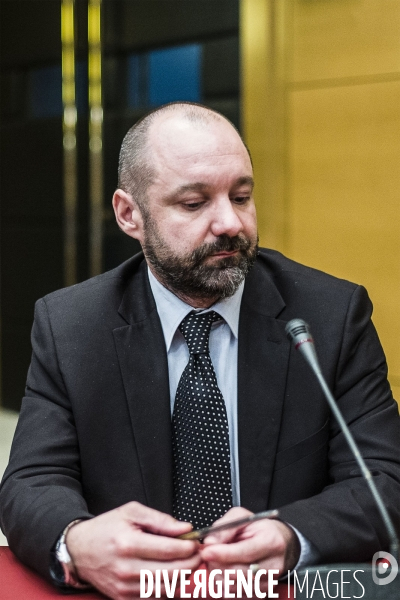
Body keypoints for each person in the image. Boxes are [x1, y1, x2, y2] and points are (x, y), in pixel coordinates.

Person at [0, 102, 399, 600]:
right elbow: (32, 481)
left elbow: (384, 478)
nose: (229, 222)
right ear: (129, 214)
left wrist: (291, 536)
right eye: (194, 203)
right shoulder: (71, 325)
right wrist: (77, 541)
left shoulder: (329, 316)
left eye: (242, 195)